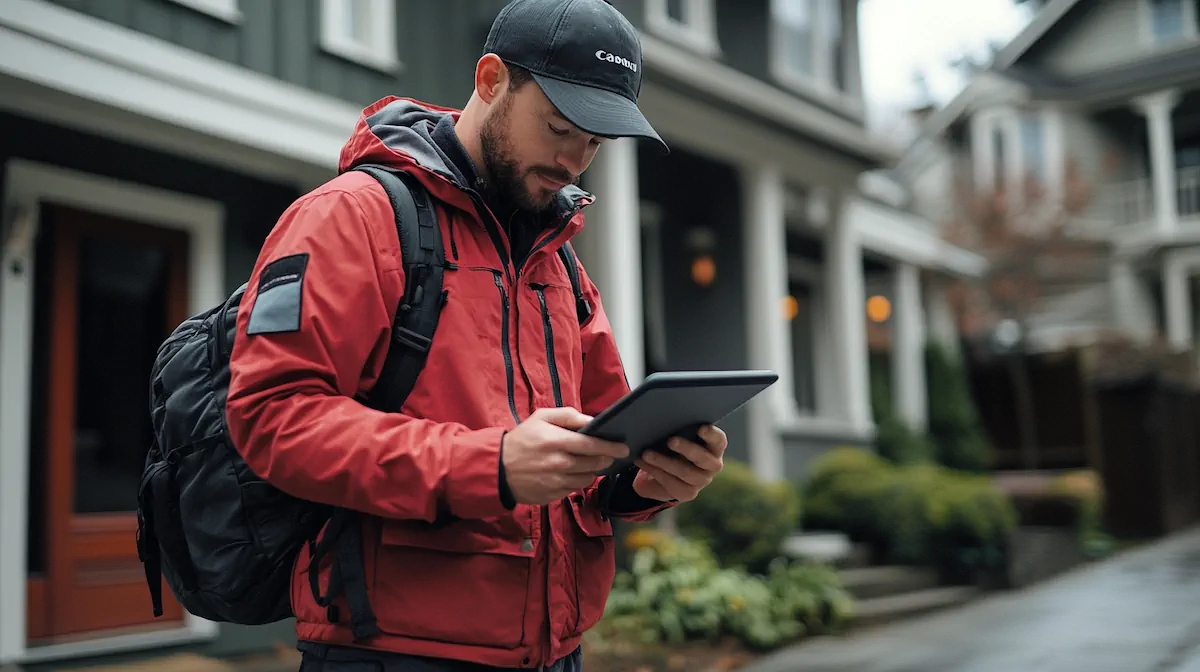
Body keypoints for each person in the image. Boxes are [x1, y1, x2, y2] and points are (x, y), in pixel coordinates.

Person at [224, 0, 729, 669]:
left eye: (596, 144)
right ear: (491, 80)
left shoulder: (561, 265)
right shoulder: (353, 218)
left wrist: (652, 478)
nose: (574, 161)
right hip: (393, 654)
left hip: (554, 651)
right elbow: (270, 419)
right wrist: (489, 465)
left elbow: (602, 447)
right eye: (559, 127)